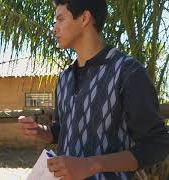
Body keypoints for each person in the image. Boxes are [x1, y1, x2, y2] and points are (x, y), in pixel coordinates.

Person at [18, 0, 169, 179]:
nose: (54, 28)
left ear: (84, 18)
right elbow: (63, 129)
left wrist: (91, 165)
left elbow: (157, 144)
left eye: (60, 19)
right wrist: (42, 131)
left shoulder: (128, 73)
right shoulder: (65, 78)